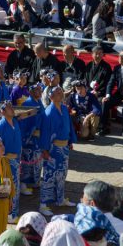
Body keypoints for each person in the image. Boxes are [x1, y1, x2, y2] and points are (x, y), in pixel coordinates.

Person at [38, 87, 74, 216]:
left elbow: (69, 126)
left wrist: (70, 141)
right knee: (49, 176)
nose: (60, 94)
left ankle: (60, 199)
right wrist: (45, 150)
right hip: (53, 148)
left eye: (61, 92)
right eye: (57, 93)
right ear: (51, 97)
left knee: (62, 174)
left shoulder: (64, 108)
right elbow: (45, 133)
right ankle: (43, 204)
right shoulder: (48, 112)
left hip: (64, 148)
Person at [0, 101, 23, 223]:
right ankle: (8, 213)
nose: (12, 109)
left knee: (15, 187)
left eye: (11, 106)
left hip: (15, 159)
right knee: (6, 187)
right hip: (5, 161)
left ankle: (13, 213)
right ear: (2, 111)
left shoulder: (15, 122)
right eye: (8, 107)